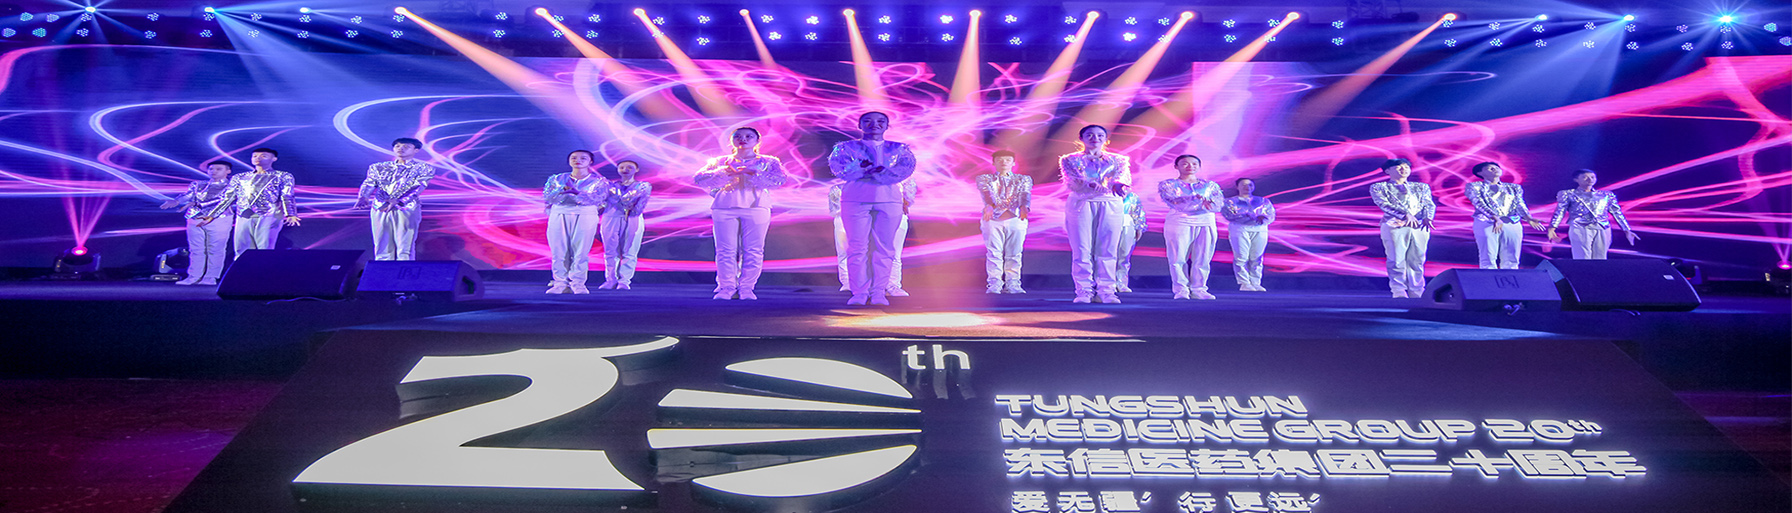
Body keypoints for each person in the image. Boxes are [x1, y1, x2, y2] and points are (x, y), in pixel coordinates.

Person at [828, 112, 917, 306]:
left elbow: (905, 170)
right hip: (855, 199)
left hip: (889, 200)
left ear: (887, 126)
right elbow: (839, 168)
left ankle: (879, 292)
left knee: (885, 248)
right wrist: (863, 170)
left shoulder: (899, 149)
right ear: (859, 125)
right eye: (868, 121)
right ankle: (859, 292)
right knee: (856, 247)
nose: (874, 124)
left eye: (880, 121)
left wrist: (883, 173)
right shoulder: (845, 148)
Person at [695, 127, 788, 300]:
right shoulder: (721, 161)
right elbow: (699, 178)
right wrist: (724, 172)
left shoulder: (769, 161)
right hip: (724, 207)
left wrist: (754, 173)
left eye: (748, 136)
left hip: (757, 206)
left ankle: (747, 287)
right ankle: (727, 287)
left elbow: (779, 179)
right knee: (725, 249)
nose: (743, 139)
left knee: (754, 249)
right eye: (737, 136)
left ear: (757, 141)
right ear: (731, 140)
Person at [1060, 125, 1132, 304]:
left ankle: (1107, 291)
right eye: (1090, 135)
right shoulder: (1069, 159)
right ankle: (1083, 291)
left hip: (1110, 203)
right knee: (1081, 248)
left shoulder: (1119, 160)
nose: (1095, 138)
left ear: (1106, 139)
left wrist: (1118, 184)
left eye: (1100, 135)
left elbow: (1122, 178)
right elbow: (1073, 180)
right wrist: (1089, 184)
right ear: (1081, 138)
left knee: (1108, 248)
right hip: (1081, 203)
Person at [202, 148, 298, 258]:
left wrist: (290, 214)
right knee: (241, 248)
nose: (258, 158)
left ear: (274, 159)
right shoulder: (240, 177)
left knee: (265, 247)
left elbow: (287, 195)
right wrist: (213, 214)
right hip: (244, 214)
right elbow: (228, 198)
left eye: (263, 156)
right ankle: (242, 268)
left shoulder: (283, 176)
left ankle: (264, 268)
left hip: (269, 214)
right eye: (255, 156)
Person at [355, 137, 435, 261]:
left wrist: (399, 200)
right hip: (380, 207)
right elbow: (369, 182)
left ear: (416, 150)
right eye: (397, 146)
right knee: (381, 242)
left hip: (406, 208)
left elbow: (419, 186)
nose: (400, 149)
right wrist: (363, 196)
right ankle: (382, 269)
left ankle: (404, 270)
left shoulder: (424, 168)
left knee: (405, 244)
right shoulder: (378, 167)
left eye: (406, 147)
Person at [543, 150, 609, 294]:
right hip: (560, 213)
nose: (578, 160)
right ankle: (560, 283)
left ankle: (578, 283)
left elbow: (599, 200)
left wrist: (577, 193)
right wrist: (561, 191)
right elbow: (548, 197)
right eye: (574, 158)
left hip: (585, 214)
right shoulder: (557, 179)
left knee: (581, 251)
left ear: (590, 162)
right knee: (558, 250)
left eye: (583, 158)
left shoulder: (599, 181)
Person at [1158, 155, 1224, 300]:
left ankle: (1199, 289)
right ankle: (1181, 290)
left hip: (1205, 221)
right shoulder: (1169, 184)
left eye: (1194, 164)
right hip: (1180, 221)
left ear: (1199, 166)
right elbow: (1173, 201)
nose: (1190, 166)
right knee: (1177, 257)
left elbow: (1218, 204)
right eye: (1185, 164)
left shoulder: (1210, 185)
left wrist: (1209, 203)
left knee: (1203, 257)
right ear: (1176, 167)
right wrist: (1195, 199)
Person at [1369, 158, 1436, 298]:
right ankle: (1398, 290)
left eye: (1406, 167)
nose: (1403, 169)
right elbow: (1383, 204)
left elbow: (1429, 204)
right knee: (1396, 259)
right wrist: (1405, 215)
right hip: (1394, 225)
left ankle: (1417, 290)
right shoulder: (1379, 187)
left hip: (1419, 226)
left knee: (1417, 259)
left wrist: (1428, 217)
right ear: (1388, 171)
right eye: (1398, 167)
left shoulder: (1421, 187)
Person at [161, 161, 235, 286]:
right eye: (211, 169)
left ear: (228, 171)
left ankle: (210, 277)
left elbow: (223, 200)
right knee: (196, 249)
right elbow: (187, 195)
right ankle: (193, 276)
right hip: (195, 218)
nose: (214, 171)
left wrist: (197, 204)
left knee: (216, 249)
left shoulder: (232, 186)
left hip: (219, 218)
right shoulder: (198, 184)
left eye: (218, 169)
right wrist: (176, 201)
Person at [1465, 161, 1543, 269]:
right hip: (1487, 222)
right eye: (1490, 168)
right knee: (1488, 255)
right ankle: (1489, 278)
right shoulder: (1474, 186)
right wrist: (1495, 217)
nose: (1495, 169)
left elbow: (1519, 204)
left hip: (1512, 222)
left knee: (1512, 256)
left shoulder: (1514, 187)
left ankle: (1511, 277)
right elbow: (1478, 203)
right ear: (1480, 173)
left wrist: (1528, 218)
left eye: (1497, 167)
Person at [1546, 169, 1639, 259]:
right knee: (1582, 256)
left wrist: (1627, 230)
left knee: (1601, 257)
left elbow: (1617, 212)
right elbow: (1560, 211)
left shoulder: (1606, 195)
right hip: (1580, 227)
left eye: (1592, 177)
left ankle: (1598, 270)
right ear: (1576, 179)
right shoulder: (1568, 194)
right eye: (1585, 177)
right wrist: (1552, 228)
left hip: (1603, 227)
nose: (1590, 179)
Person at [975, 150, 1031, 294]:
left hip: (1016, 219)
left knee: (1015, 253)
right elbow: (986, 193)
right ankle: (995, 283)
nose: (1004, 162)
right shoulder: (985, 178)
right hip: (993, 220)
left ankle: (1013, 283)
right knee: (994, 252)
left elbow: (1025, 194)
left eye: (1007, 160)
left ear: (1013, 163)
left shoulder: (1023, 179)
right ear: (993, 163)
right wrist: (989, 206)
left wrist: (1024, 206)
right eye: (1000, 160)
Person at [600, 160, 651, 290]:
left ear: (636, 170)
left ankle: (624, 281)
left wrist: (630, 209)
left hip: (633, 218)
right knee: (610, 250)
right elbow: (601, 201)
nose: (625, 169)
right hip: (611, 217)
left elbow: (640, 205)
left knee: (630, 250)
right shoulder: (609, 186)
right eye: (622, 167)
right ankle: (611, 280)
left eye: (629, 167)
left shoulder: (643, 186)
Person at [1221, 177, 1276, 292]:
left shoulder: (1263, 201)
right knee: (1241, 256)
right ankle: (1244, 283)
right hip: (1239, 229)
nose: (1247, 187)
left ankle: (1256, 282)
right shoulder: (1230, 202)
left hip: (1260, 229)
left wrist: (1263, 218)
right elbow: (1229, 215)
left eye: (1250, 185)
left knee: (1257, 257)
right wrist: (1250, 217)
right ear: (1237, 187)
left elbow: (1271, 215)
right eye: (1244, 185)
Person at [886, 177, 918, 297]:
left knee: (895, 253)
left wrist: (904, 201)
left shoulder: (905, 174)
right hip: (877, 214)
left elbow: (909, 194)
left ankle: (893, 286)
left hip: (898, 215)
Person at [1116, 189, 1146, 293]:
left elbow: (1137, 211)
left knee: (1124, 254)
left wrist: (1139, 227)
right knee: (1107, 254)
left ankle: (1121, 282)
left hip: (1127, 223)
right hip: (1109, 221)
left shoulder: (1131, 196)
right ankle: (1106, 282)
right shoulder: (1107, 193)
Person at [828, 182, 849, 291]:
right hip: (841, 219)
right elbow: (833, 209)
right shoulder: (836, 188)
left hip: (860, 218)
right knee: (843, 251)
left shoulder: (864, 185)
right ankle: (846, 282)